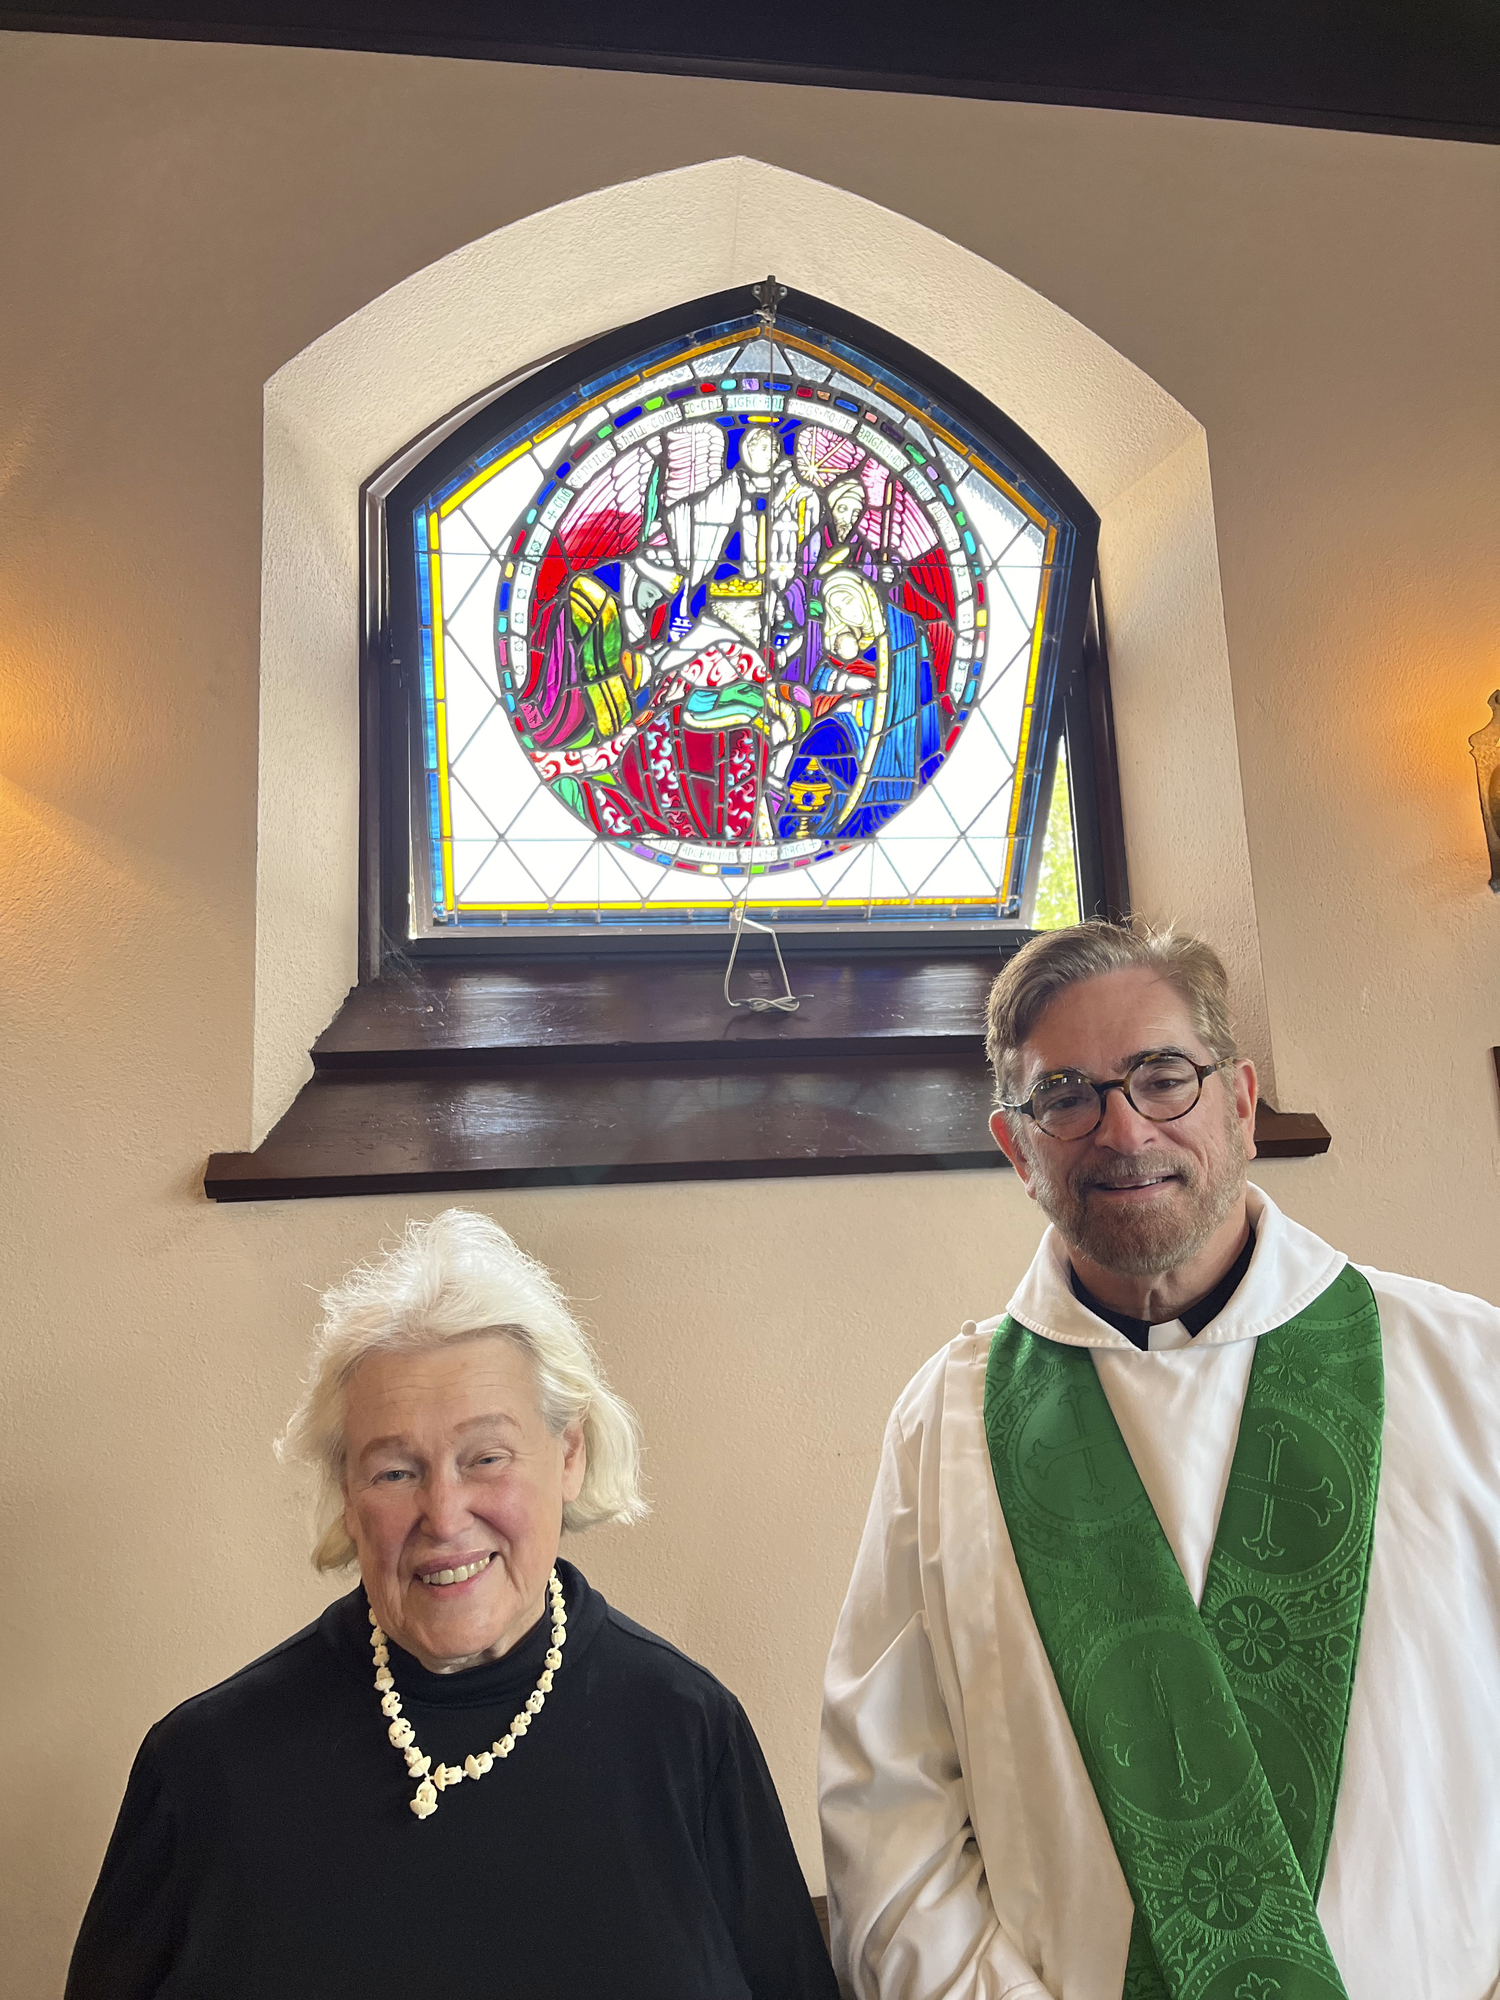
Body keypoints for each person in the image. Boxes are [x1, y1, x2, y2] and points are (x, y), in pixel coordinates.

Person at [820, 922, 1500, 2000]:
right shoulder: (946, 1421)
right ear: (1016, 1144)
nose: (1122, 1127)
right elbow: (888, 1805)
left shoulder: (1471, 1368)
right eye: (1067, 1095)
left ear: (1238, 1100)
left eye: (1163, 1077)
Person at [68, 1209, 837, 2000]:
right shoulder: (205, 1765)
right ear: (347, 1494)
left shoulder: (688, 1730)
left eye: (486, 1458)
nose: (444, 1513)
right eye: (396, 1471)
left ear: (568, 1456)